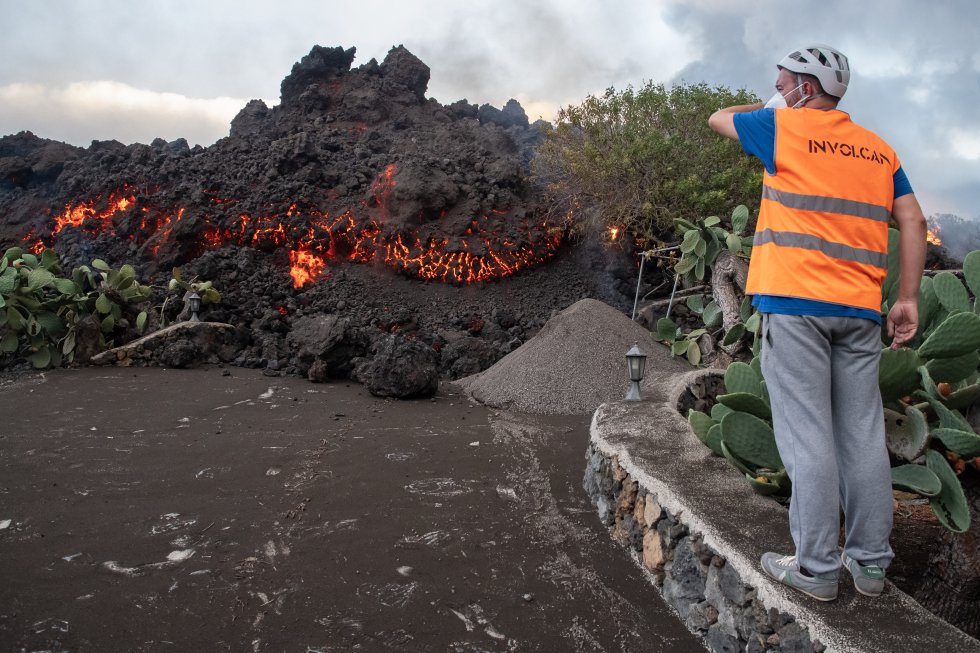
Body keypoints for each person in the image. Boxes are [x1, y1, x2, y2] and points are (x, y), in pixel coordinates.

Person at [707, 44, 927, 601]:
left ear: (806, 86)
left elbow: (717, 118)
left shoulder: (782, 129)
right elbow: (913, 219)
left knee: (808, 437)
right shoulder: (880, 151)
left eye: (784, 82)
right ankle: (872, 567)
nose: (778, 89)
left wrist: (775, 107)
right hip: (857, 311)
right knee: (861, 435)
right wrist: (907, 299)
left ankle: (816, 570)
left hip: (795, 306)